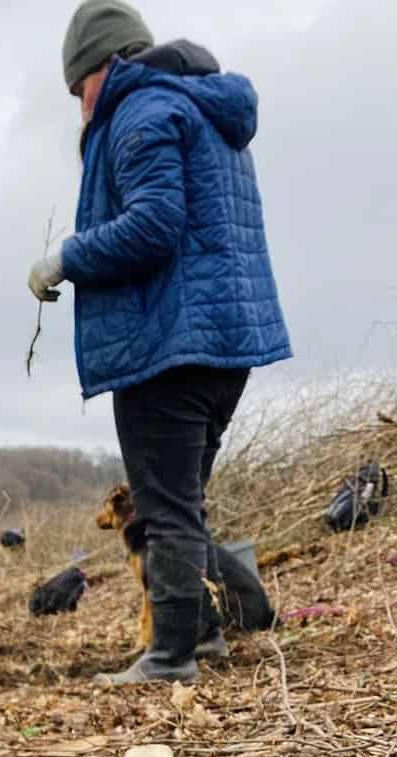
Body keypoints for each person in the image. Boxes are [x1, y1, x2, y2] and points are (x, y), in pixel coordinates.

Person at [28, 1, 290, 684]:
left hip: (169, 345)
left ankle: (172, 655)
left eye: (78, 88)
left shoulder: (142, 112)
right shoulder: (204, 109)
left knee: (163, 508)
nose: (80, 106)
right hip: (224, 340)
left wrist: (68, 257)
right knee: (180, 503)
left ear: (102, 68)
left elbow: (153, 225)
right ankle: (212, 629)